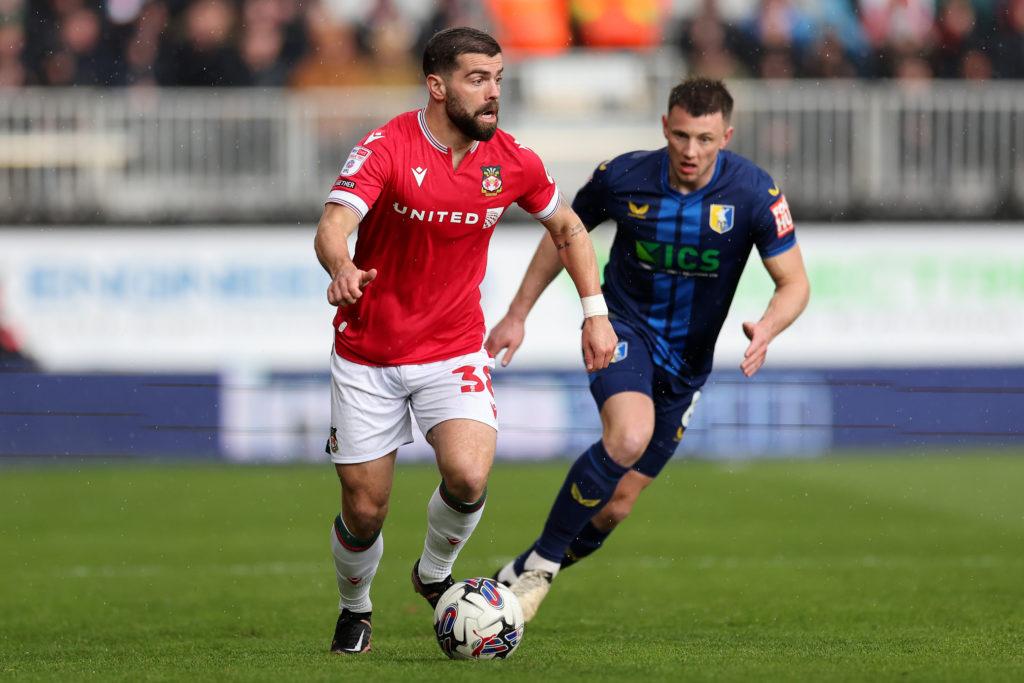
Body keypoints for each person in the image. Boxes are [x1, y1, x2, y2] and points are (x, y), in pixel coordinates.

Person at [313, 27, 617, 654]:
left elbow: (569, 227)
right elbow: (333, 224)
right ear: (437, 85)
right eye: (478, 79)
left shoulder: (511, 160)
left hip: (452, 349)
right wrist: (341, 267)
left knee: (469, 474)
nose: (492, 94)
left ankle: (432, 574)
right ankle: (354, 607)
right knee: (366, 510)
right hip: (369, 352)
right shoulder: (387, 147)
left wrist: (594, 311)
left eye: (499, 80)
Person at [487, 77, 811, 622]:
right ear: (664, 126)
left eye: (705, 139)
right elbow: (563, 234)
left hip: (688, 367)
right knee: (629, 436)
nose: (691, 151)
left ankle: (513, 574)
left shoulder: (755, 193)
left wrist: (770, 327)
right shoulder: (623, 176)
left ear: (726, 136)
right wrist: (518, 313)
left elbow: (795, 283)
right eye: (681, 135)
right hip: (621, 331)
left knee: (616, 506)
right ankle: (541, 567)